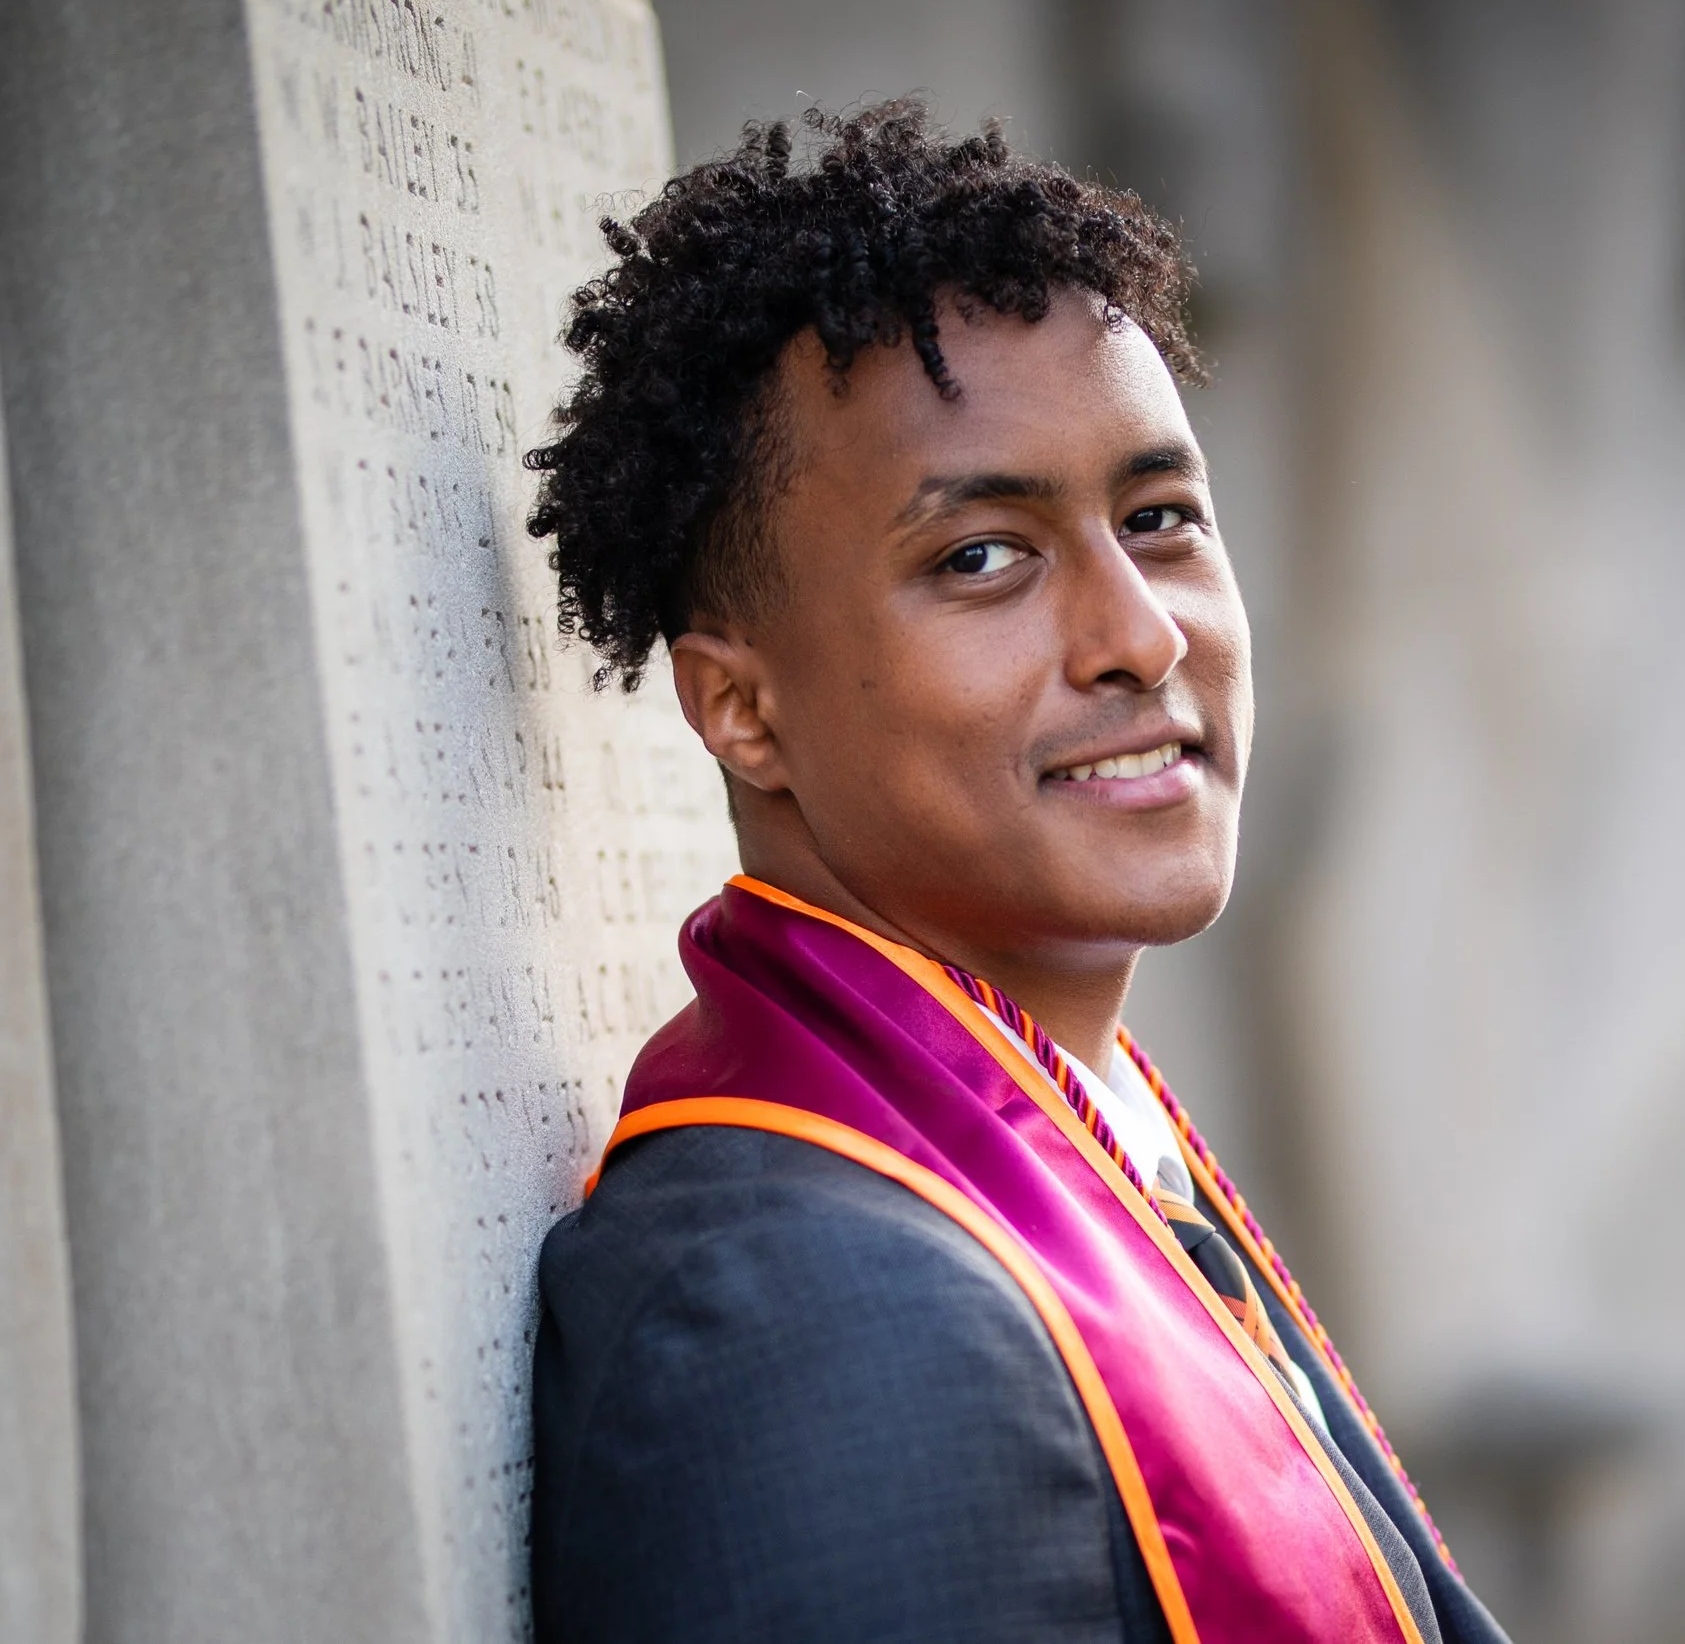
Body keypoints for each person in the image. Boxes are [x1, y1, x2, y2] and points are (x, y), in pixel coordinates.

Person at [522, 100, 1510, 1644]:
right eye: (983, 553)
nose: (1141, 635)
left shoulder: (1087, 1159)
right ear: (742, 707)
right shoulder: (819, 1318)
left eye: (1160, 517)